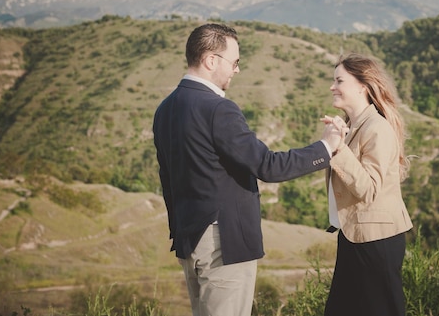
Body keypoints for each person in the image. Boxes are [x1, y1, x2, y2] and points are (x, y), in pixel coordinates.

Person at [152, 23, 346, 316]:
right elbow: (267, 166)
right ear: (210, 60)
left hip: (190, 241)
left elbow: (167, 178)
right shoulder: (219, 109)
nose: (237, 70)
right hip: (223, 244)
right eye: (235, 62)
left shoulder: (165, 109)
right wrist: (325, 147)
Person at [322, 53, 414, 316]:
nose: (332, 87)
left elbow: (369, 189)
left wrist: (339, 149)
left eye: (339, 80)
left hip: (377, 241)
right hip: (354, 236)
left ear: (362, 86)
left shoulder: (377, 128)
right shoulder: (354, 126)